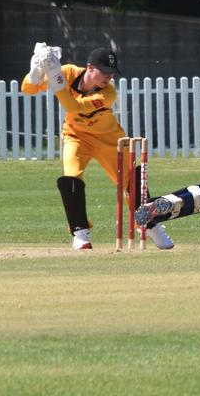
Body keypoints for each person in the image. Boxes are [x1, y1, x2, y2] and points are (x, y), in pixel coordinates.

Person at [21, 43, 174, 250]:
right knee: (70, 179)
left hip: (109, 140)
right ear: (90, 68)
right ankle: (80, 233)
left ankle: (150, 225)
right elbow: (27, 89)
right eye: (105, 72)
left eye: (112, 73)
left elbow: (73, 108)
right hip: (76, 136)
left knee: (132, 183)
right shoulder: (66, 72)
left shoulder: (108, 93)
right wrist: (36, 73)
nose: (109, 77)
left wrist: (56, 81)